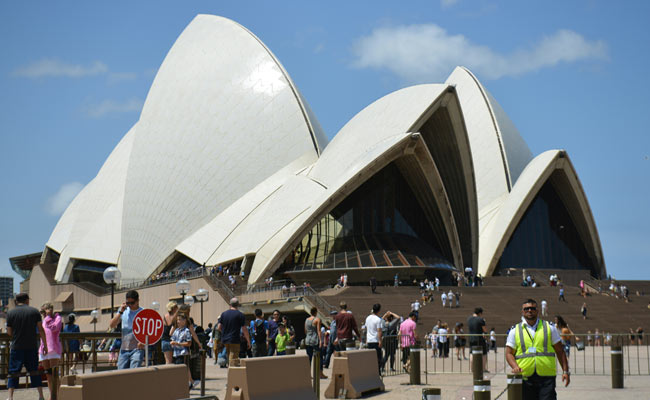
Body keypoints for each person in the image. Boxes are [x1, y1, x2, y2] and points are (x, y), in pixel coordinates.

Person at [506, 299, 570, 399]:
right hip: (525, 376)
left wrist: (565, 371)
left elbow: (560, 351)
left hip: (546, 377)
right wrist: (515, 366)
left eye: (532, 308)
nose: (529, 310)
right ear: (522, 312)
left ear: (537, 311)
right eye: (526, 309)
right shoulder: (515, 330)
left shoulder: (549, 327)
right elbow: (509, 353)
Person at [6, 293, 47, 400]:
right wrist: (45, 345)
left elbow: (9, 332)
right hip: (31, 346)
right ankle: (41, 395)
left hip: (16, 346)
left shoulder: (10, 313)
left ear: (16, 301)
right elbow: (41, 329)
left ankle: (10, 397)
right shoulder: (34, 311)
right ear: (27, 300)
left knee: (13, 372)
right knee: (34, 371)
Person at [110, 290, 144, 370]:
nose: (130, 305)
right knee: (120, 374)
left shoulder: (143, 312)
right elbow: (112, 325)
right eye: (128, 303)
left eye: (132, 303)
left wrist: (143, 341)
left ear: (138, 301)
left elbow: (148, 331)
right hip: (124, 349)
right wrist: (120, 312)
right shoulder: (123, 311)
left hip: (137, 349)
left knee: (134, 374)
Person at [218, 297, 250, 367]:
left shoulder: (223, 314)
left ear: (230, 304)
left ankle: (231, 371)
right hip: (234, 339)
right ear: (238, 304)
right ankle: (232, 373)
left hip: (225, 339)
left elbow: (219, 327)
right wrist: (248, 341)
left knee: (229, 354)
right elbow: (244, 329)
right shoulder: (240, 315)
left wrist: (225, 332)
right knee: (233, 357)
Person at [40, 302, 63, 399]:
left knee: (54, 374)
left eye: (44, 311)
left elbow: (54, 328)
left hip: (53, 348)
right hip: (44, 348)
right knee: (48, 374)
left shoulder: (57, 318)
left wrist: (48, 316)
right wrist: (46, 317)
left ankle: (56, 395)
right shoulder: (44, 320)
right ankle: (51, 395)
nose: (44, 314)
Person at [170, 314, 194, 390]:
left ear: (184, 321)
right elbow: (172, 339)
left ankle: (186, 384)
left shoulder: (186, 331)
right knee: (178, 371)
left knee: (183, 371)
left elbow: (189, 343)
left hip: (183, 354)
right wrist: (172, 343)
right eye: (177, 320)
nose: (178, 321)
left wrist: (178, 343)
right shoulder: (176, 330)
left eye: (180, 320)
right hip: (176, 354)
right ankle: (185, 384)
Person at [304, 307, 327, 378]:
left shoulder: (306, 320)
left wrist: (307, 336)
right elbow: (319, 331)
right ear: (316, 312)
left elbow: (305, 330)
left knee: (309, 358)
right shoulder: (317, 320)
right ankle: (320, 373)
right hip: (315, 340)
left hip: (308, 340)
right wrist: (320, 341)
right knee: (319, 357)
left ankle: (308, 374)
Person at [468, 307, 489, 373]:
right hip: (479, 338)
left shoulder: (469, 319)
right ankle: (483, 368)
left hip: (471, 338)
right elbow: (485, 329)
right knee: (484, 353)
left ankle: (471, 369)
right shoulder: (480, 319)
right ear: (480, 313)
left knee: (472, 353)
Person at [365, 303, 383, 374]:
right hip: (375, 340)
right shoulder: (378, 319)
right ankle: (377, 372)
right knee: (378, 358)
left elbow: (367, 329)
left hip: (369, 340)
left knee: (371, 358)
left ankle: (371, 371)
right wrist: (380, 341)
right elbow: (379, 331)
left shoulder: (368, 318)